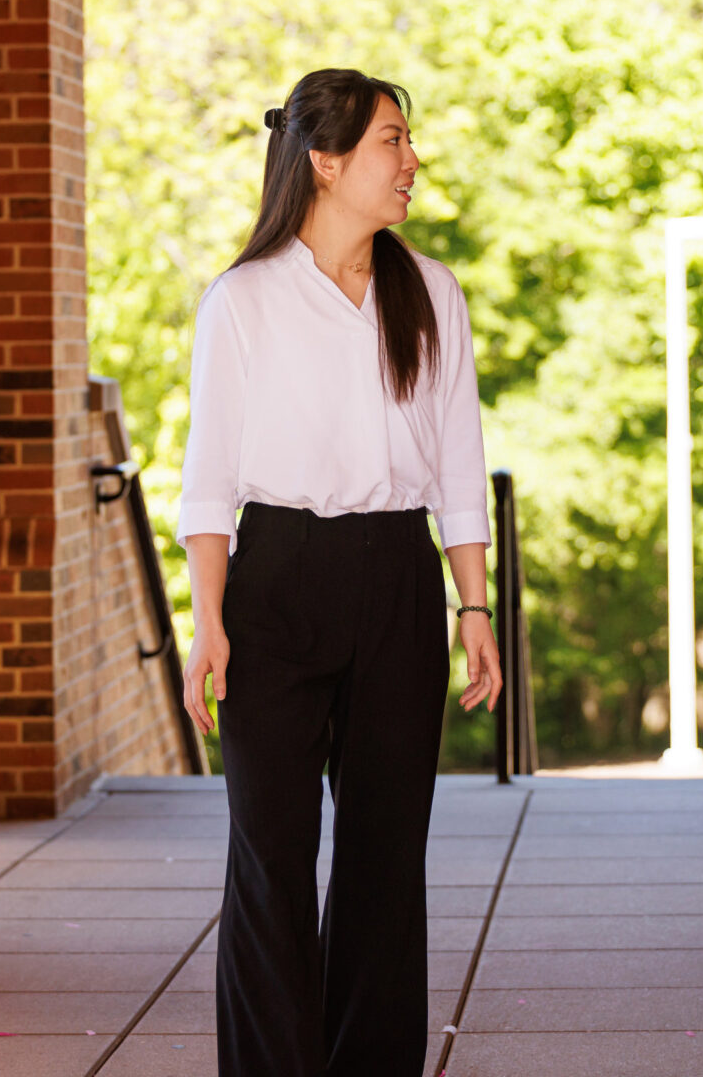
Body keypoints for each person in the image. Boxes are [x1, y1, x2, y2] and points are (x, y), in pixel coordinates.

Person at [176, 68, 502, 1077]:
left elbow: (457, 464)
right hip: (276, 580)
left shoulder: (430, 291)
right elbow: (208, 479)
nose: (411, 162)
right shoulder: (243, 300)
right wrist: (210, 621)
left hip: (401, 583)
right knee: (269, 863)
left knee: (381, 861)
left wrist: (474, 604)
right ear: (324, 161)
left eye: (408, 142)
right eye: (391, 143)